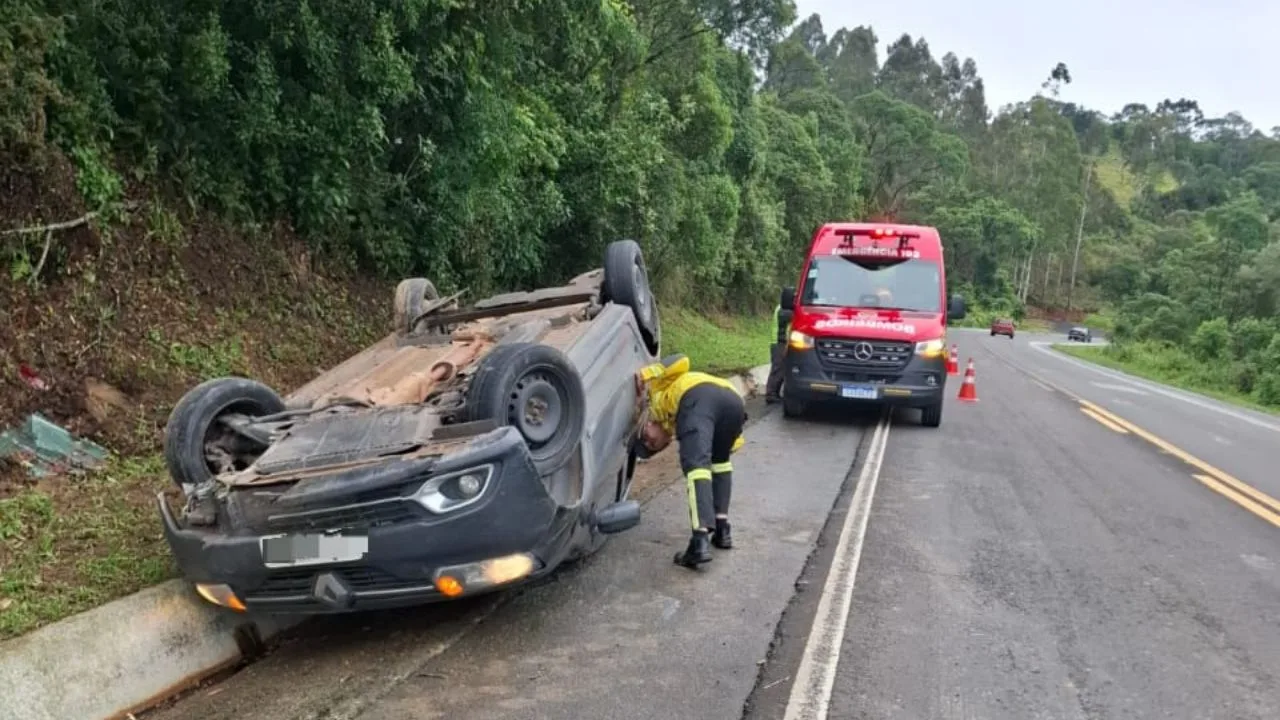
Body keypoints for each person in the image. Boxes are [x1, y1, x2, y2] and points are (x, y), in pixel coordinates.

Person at [634, 354, 746, 569]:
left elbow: (681, 360)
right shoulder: (678, 426)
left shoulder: (657, 394)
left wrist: (647, 373)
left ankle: (700, 541)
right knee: (720, 462)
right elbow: (731, 445)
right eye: (652, 447)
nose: (649, 442)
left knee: (696, 468)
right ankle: (722, 530)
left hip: (698, 396)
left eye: (645, 438)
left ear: (647, 424)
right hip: (733, 402)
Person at [765, 302, 791, 403]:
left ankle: (775, 393)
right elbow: (789, 316)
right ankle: (770, 394)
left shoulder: (782, 308)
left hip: (782, 342)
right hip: (779, 342)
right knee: (778, 368)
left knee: (782, 369)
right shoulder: (783, 308)